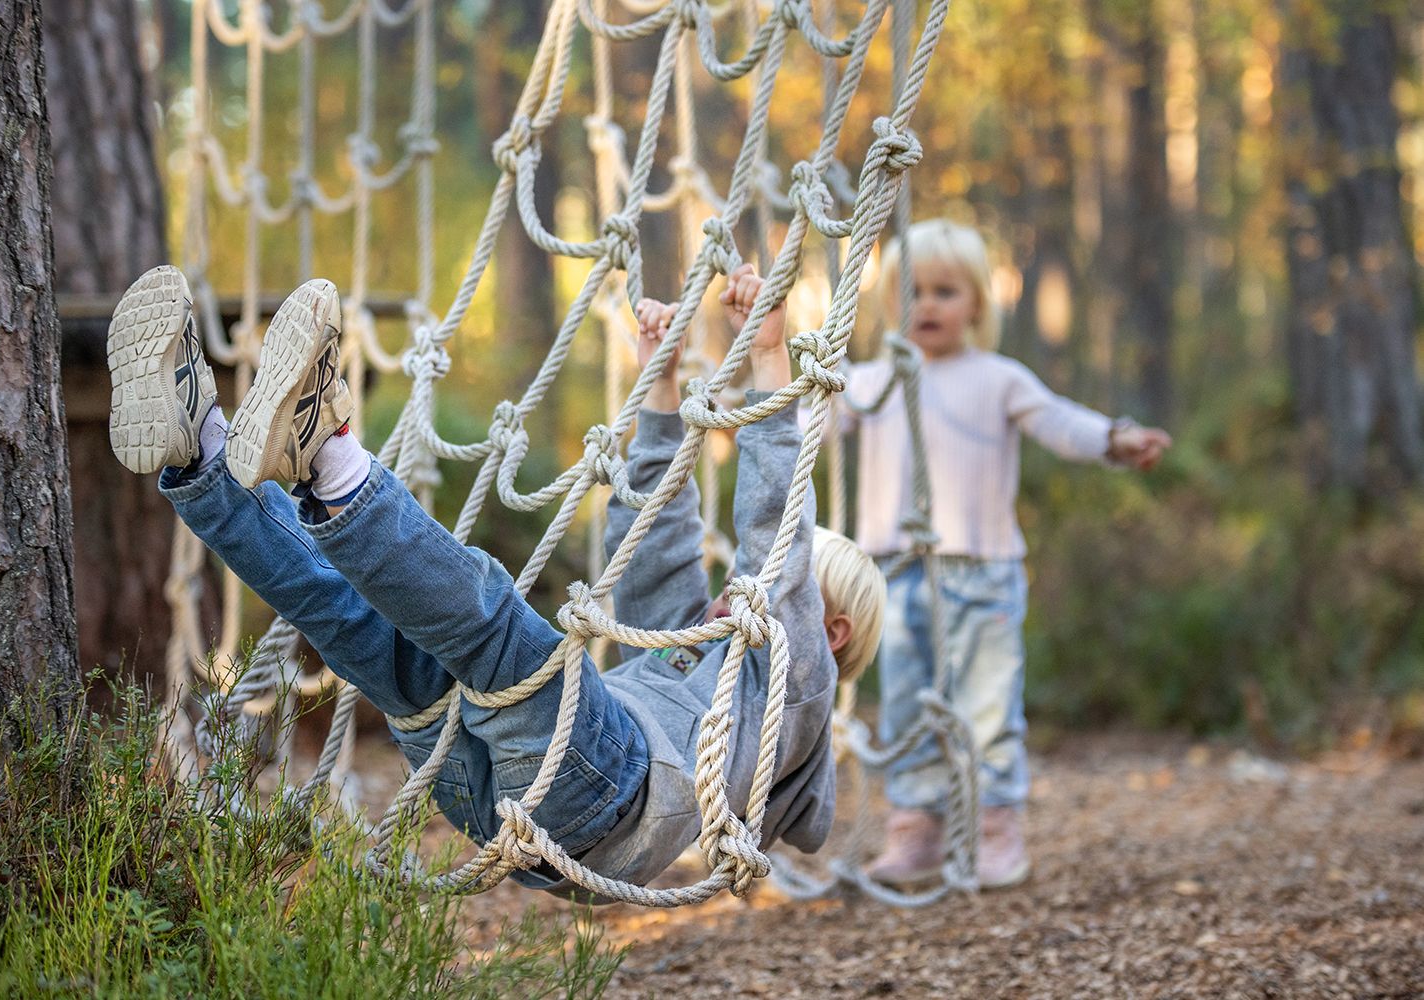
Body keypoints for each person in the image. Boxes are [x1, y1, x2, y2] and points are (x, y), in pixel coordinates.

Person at [107, 262, 885, 896]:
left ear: (832, 629)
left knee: (494, 619)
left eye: (789, 587)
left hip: (606, 789)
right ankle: (199, 451)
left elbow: (774, 543)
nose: (735, 589)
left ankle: (328, 450)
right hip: (503, 806)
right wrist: (660, 394)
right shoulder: (695, 653)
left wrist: (772, 362)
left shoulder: (798, 687)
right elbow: (656, 547)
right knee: (350, 621)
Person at [844, 219, 1170, 890]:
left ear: (976, 306)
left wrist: (1116, 438)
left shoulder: (997, 378)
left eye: (944, 291)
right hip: (896, 574)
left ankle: (996, 829)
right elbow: (800, 419)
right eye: (911, 291)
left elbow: (1058, 421)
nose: (926, 305)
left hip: (983, 574)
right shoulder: (872, 379)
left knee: (988, 707)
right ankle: (916, 830)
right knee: (906, 705)